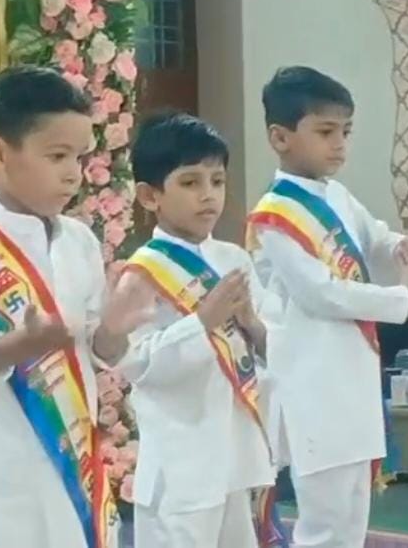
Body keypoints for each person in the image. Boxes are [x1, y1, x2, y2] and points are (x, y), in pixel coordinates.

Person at [0, 65, 146, 548]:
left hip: (72, 457)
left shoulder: (79, 242)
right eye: (57, 156)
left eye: (80, 157)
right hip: (1, 463)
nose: (73, 173)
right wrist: (20, 344)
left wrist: (113, 330)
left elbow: (94, 347)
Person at [246, 66, 408, 548]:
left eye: (345, 132)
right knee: (324, 523)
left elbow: (375, 236)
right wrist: (401, 295)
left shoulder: (337, 195)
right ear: (280, 137)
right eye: (325, 132)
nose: (339, 145)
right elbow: (322, 293)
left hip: (354, 375)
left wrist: (402, 246)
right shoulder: (274, 215)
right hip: (312, 379)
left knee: (352, 518)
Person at [95, 113, 277, 548]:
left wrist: (252, 324)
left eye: (217, 181)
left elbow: (274, 347)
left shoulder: (235, 259)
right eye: (190, 182)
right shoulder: (144, 273)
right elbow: (140, 366)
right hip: (180, 461)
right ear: (150, 195)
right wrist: (202, 323)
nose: (208, 194)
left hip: (235, 454)